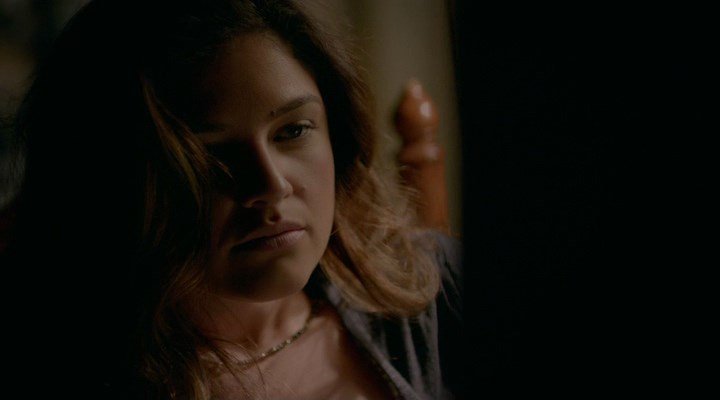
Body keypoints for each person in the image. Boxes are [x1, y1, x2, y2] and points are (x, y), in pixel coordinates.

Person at [0, 0, 463, 399]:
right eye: (211, 156)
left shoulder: (437, 292)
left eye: (293, 131)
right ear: (112, 183)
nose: (271, 184)